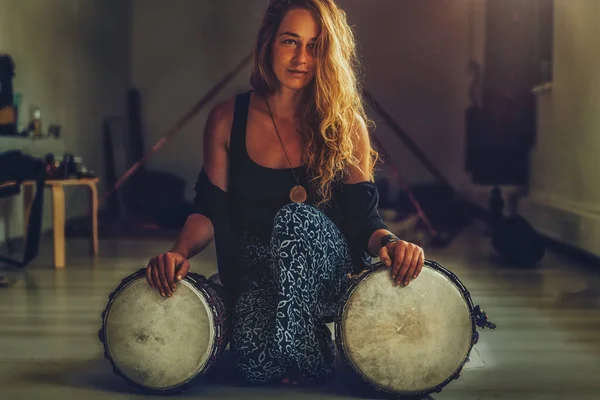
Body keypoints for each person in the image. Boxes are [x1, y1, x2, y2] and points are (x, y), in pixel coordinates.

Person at [145, 0, 425, 387]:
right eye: (290, 42)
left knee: (295, 217)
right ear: (267, 44)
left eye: (315, 46)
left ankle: (303, 339)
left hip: (325, 273)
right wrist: (177, 252)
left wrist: (392, 243)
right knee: (257, 368)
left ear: (327, 54)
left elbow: (364, 219)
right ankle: (303, 342)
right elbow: (209, 209)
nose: (302, 58)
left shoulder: (346, 125)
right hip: (257, 273)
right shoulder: (227, 118)